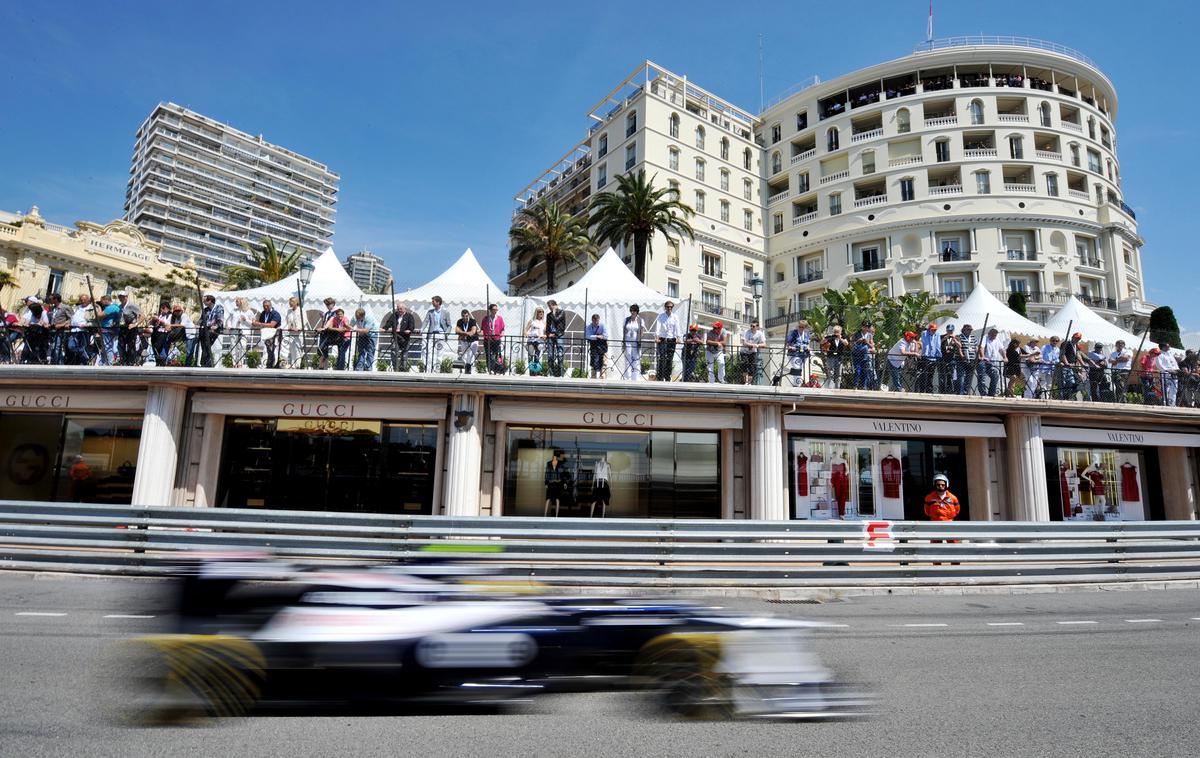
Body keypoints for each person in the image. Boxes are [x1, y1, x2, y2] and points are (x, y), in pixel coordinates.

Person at [381, 301, 415, 372]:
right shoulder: (394, 315)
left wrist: (409, 330)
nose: (399, 310)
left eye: (400, 309)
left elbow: (412, 326)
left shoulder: (409, 316)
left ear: (404, 309)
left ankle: (403, 369)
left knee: (404, 354)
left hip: (405, 338)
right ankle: (395, 368)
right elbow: (389, 323)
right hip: (396, 337)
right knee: (394, 352)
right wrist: (384, 328)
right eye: (398, 309)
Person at [653, 300, 681, 381]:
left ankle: (667, 377)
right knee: (661, 358)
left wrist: (678, 337)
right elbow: (658, 326)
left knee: (669, 359)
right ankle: (660, 377)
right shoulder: (661, 316)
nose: (669, 308)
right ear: (665, 307)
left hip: (671, 339)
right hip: (662, 338)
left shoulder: (675, 317)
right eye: (668, 307)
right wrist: (657, 337)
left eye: (671, 307)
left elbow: (677, 327)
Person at [115, 291, 144, 365]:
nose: (121, 298)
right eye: (120, 297)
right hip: (122, 328)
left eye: (123, 296)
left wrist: (135, 324)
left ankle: (131, 362)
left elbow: (142, 316)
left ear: (126, 297)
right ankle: (123, 361)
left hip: (131, 328)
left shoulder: (132, 305)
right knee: (121, 345)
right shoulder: (119, 306)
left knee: (131, 345)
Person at [19, 296, 50, 364]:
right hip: (32, 333)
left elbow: (46, 324)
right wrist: (28, 324)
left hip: (41, 334)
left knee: (40, 346)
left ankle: (41, 359)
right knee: (27, 346)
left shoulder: (43, 313)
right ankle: (23, 359)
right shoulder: (32, 314)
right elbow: (27, 322)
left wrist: (41, 323)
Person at [423, 295, 450, 373]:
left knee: (440, 354)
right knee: (429, 352)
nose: (432, 302)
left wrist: (446, 333)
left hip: (441, 334)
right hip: (431, 334)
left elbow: (449, 325)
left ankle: (437, 370)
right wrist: (421, 329)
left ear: (438, 302)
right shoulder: (430, 312)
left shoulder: (446, 312)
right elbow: (425, 321)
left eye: (433, 301)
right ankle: (428, 370)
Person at [66, 294, 95, 366]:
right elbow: (73, 317)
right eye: (81, 300)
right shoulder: (78, 307)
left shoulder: (89, 308)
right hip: (74, 330)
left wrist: (86, 325)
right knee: (71, 346)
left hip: (82, 331)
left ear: (88, 300)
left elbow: (90, 322)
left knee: (82, 347)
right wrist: (69, 323)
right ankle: (87, 355)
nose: (83, 301)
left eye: (84, 300)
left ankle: (85, 361)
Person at [196, 294, 224, 368]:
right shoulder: (205, 310)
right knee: (204, 346)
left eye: (204, 300)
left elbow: (220, 319)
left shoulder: (219, 308)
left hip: (214, 330)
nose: (203, 302)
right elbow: (201, 319)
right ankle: (207, 363)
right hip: (205, 330)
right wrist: (197, 324)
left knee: (206, 344)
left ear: (210, 301)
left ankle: (204, 363)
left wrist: (216, 326)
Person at [228, 297, 256, 368]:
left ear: (242, 302)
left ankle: (240, 362)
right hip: (234, 330)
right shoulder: (233, 311)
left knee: (242, 346)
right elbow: (229, 319)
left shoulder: (249, 312)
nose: (236, 303)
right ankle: (233, 363)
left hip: (244, 331)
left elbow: (253, 323)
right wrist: (229, 325)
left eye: (237, 301)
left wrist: (246, 319)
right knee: (233, 346)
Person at [253, 299, 282, 369]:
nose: (265, 307)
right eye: (264, 306)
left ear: (270, 305)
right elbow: (260, 324)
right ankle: (265, 364)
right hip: (265, 334)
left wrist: (260, 324)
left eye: (267, 306)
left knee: (273, 350)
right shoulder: (263, 313)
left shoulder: (275, 313)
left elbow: (272, 325)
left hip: (274, 335)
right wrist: (255, 323)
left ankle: (272, 364)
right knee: (265, 349)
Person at [45, 294, 71, 365]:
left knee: (57, 347)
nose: (49, 301)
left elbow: (71, 318)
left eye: (51, 299)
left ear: (55, 299)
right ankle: (55, 362)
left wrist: (62, 325)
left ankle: (59, 364)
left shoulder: (65, 307)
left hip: (61, 331)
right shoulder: (52, 308)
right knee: (52, 347)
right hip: (52, 330)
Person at [978, 327, 1004, 397]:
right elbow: (981, 347)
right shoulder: (984, 338)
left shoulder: (997, 339)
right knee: (982, 378)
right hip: (983, 362)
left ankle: (991, 393)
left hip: (991, 363)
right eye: (993, 335)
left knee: (995, 375)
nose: (994, 336)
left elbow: (1001, 349)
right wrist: (983, 356)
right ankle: (983, 394)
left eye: (995, 335)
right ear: (989, 333)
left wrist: (1005, 357)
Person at [96, 294, 121, 366]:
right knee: (106, 346)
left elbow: (99, 316)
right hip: (109, 329)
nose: (102, 303)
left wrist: (99, 307)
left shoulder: (111, 307)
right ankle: (103, 362)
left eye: (102, 301)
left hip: (107, 329)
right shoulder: (115, 307)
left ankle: (108, 363)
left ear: (106, 300)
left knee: (107, 346)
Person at [785, 320, 811, 388]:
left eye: (802, 327)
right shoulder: (793, 333)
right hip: (794, 353)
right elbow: (787, 343)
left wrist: (808, 348)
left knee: (799, 368)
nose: (801, 328)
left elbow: (807, 344)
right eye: (799, 327)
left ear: (805, 327)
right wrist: (790, 347)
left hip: (803, 354)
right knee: (797, 367)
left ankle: (796, 383)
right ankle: (797, 385)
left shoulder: (806, 334)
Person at [480, 303, 505, 375]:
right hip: (488, 338)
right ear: (490, 310)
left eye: (496, 309)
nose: (495, 311)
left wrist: (502, 333)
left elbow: (502, 328)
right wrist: (481, 333)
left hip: (496, 338)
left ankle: (495, 369)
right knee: (488, 355)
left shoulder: (499, 318)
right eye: (494, 309)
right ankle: (489, 369)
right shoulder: (486, 318)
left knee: (495, 354)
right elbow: (482, 328)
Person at [544, 449, 570, 517]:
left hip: (558, 483)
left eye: (556, 455)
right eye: (554, 455)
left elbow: (562, 474)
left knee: (557, 499)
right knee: (548, 499)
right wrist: (546, 483)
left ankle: (556, 515)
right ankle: (545, 515)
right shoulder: (548, 463)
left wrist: (564, 483)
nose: (555, 457)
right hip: (550, 483)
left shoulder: (560, 464)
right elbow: (546, 473)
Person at [545, 299, 567, 377]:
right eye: (548, 307)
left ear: (555, 305)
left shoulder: (562, 312)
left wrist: (554, 312)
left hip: (559, 335)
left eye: (550, 306)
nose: (549, 308)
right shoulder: (548, 315)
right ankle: (551, 373)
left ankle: (561, 374)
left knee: (560, 354)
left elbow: (556, 320)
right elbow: (547, 326)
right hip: (551, 336)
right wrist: (548, 334)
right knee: (550, 355)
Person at [851, 322, 876, 390]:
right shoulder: (856, 334)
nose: (866, 328)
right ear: (862, 327)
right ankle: (855, 385)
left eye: (867, 327)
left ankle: (864, 386)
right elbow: (852, 345)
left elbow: (872, 346)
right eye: (864, 326)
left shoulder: (870, 335)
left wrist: (867, 342)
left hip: (865, 356)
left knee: (865, 371)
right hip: (857, 354)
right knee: (858, 371)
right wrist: (859, 340)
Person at [1059, 332, 1084, 400]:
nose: (1077, 339)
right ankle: (1061, 398)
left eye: (1078, 338)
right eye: (1076, 338)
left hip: (1071, 367)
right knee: (1062, 383)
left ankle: (1067, 397)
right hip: (1065, 366)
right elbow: (1062, 354)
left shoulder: (1076, 346)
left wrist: (1080, 364)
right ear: (1073, 337)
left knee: (1071, 382)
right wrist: (1067, 363)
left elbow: (1077, 356)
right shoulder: (1066, 343)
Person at [351, 307, 377, 371]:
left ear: (363, 316)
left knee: (370, 351)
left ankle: (369, 367)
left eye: (358, 318)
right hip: (362, 335)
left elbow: (366, 330)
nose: (357, 319)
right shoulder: (354, 317)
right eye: (356, 317)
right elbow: (350, 326)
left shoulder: (369, 318)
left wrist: (355, 329)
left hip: (372, 335)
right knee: (361, 351)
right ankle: (359, 367)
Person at [740, 320, 766, 385]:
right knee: (745, 366)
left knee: (752, 368)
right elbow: (744, 343)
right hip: (744, 351)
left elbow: (764, 344)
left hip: (753, 352)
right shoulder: (746, 332)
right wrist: (752, 345)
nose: (751, 327)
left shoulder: (760, 333)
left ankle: (749, 383)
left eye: (753, 326)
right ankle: (745, 382)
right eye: (751, 326)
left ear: (757, 327)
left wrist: (757, 345)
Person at [281, 296, 304, 369]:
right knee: (292, 349)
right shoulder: (289, 311)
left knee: (298, 349)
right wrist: (282, 327)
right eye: (290, 302)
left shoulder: (301, 311)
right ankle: (293, 365)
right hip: (291, 333)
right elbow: (286, 321)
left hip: (298, 333)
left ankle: (298, 365)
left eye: (292, 302)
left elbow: (303, 322)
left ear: (296, 302)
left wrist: (298, 328)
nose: (290, 303)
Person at [1155, 342, 1180, 407]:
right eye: (1167, 346)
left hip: (1174, 374)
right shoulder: (1159, 355)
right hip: (1166, 374)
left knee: (1174, 390)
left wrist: (1177, 369)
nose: (1169, 347)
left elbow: (1174, 363)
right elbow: (1159, 365)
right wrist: (1167, 370)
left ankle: (1172, 404)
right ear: (1163, 347)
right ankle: (1165, 403)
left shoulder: (1170, 355)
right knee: (1166, 389)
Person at [622, 305, 643, 381]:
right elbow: (624, 331)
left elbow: (641, 331)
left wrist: (639, 339)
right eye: (631, 311)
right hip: (627, 342)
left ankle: (636, 378)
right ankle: (627, 377)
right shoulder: (626, 320)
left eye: (634, 311)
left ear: (637, 312)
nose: (632, 312)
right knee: (628, 359)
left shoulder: (640, 320)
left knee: (636, 359)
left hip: (636, 342)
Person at [918, 323, 942, 393]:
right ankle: (922, 390)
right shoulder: (924, 333)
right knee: (924, 374)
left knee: (931, 374)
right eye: (932, 330)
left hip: (934, 357)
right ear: (929, 329)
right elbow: (926, 343)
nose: (934, 331)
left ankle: (929, 390)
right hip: (926, 357)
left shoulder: (937, 334)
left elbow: (938, 344)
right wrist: (925, 354)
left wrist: (939, 354)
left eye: (935, 330)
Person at [940, 324, 963, 394]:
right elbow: (937, 344)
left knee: (951, 374)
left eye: (951, 331)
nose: (949, 332)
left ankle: (951, 389)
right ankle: (943, 390)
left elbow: (960, 346)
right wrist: (944, 339)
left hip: (952, 359)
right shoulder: (942, 336)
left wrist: (955, 340)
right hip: (943, 358)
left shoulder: (957, 337)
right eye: (948, 330)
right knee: (943, 375)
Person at [454, 308, 479, 374]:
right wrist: (466, 333)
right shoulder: (459, 321)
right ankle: (464, 369)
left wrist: (462, 333)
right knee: (464, 355)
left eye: (466, 316)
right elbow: (456, 330)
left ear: (468, 315)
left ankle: (471, 370)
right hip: (464, 340)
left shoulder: (472, 321)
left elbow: (473, 332)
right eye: (463, 316)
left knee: (471, 355)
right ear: (461, 316)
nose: (465, 317)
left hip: (473, 341)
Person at [1108, 339, 1132, 404]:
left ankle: (1123, 401)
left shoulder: (1128, 351)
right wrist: (1120, 359)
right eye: (1118, 344)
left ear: (1124, 345)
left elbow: (1126, 359)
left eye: (1122, 344)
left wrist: (1115, 360)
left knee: (1121, 385)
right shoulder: (1113, 353)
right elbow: (1110, 361)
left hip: (1124, 371)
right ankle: (1119, 400)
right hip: (1115, 371)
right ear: (1116, 345)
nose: (1120, 345)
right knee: (1117, 386)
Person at [585, 313, 608, 379]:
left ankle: (603, 377)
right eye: (594, 321)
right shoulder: (589, 326)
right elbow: (588, 336)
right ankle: (593, 378)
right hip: (594, 346)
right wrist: (597, 336)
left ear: (599, 320)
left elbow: (606, 336)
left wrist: (601, 337)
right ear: (592, 321)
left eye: (597, 321)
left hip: (603, 346)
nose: (596, 323)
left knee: (603, 362)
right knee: (593, 362)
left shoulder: (603, 325)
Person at [957, 324, 978, 395]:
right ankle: (960, 391)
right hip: (962, 360)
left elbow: (976, 347)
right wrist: (962, 355)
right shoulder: (959, 337)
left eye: (971, 330)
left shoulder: (973, 337)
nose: (970, 331)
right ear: (964, 330)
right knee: (961, 376)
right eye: (968, 329)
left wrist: (978, 356)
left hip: (972, 359)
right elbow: (958, 347)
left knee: (969, 376)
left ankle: (966, 392)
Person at [525, 306, 546, 373]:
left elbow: (546, 333)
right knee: (530, 355)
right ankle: (531, 371)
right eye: (539, 311)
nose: (541, 313)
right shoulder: (532, 321)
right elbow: (526, 330)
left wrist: (545, 336)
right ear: (536, 312)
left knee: (537, 356)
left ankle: (535, 371)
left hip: (539, 341)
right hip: (531, 340)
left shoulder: (544, 322)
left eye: (542, 312)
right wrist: (526, 334)